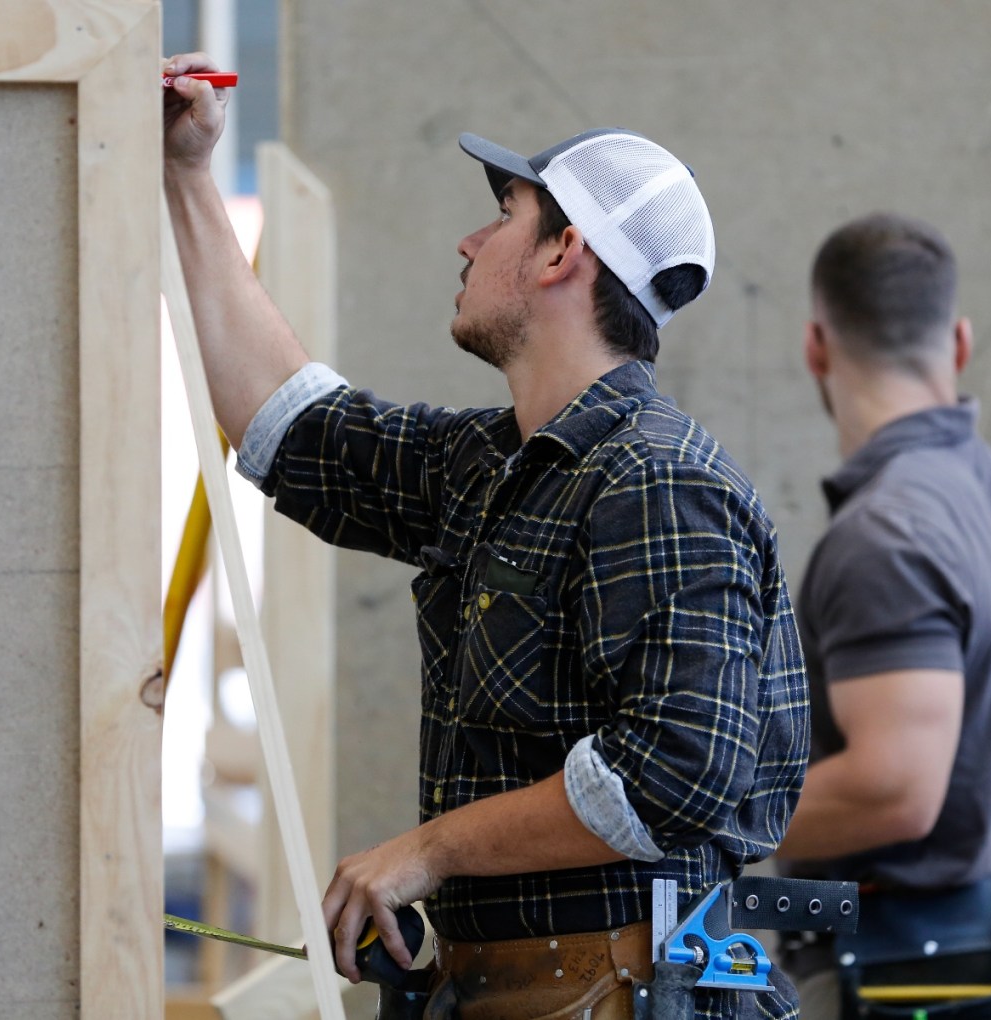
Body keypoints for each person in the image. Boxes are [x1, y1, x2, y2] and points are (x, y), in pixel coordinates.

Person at [163, 53, 807, 1019]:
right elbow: (294, 433)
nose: (471, 242)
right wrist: (186, 176)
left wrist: (427, 851)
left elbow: (669, 774)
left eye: (504, 214)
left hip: (614, 997)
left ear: (560, 253)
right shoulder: (498, 465)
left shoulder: (660, 480)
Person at [775, 213, 991, 1020]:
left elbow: (893, 789)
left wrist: (689, 816)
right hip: (957, 953)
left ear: (815, 348)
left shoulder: (887, 534)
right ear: (960, 342)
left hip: (893, 974)